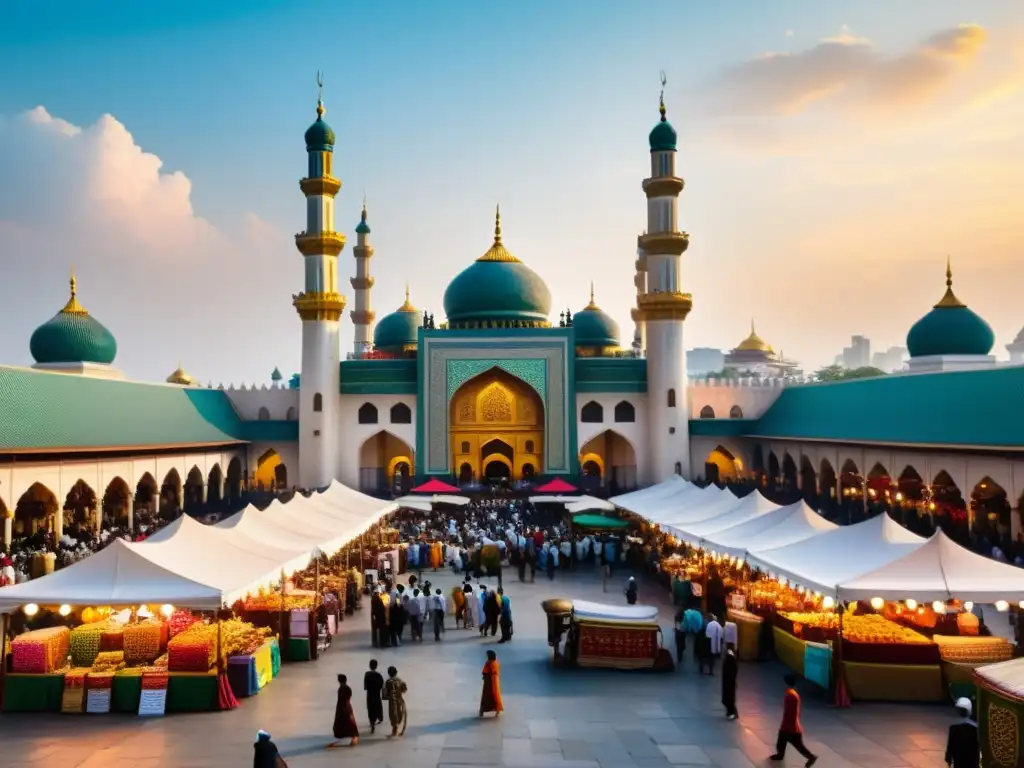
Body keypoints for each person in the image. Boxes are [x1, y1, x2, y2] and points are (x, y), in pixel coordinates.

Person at [770, 674, 817, 766]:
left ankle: (811, 757)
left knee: (795, 744)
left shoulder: (791, 695)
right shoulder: (792, 693)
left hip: (790, 726)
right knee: (783, 741)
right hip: (792, 725)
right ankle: (780, 754)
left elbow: (789, 710)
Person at [945, 696, 979, 767]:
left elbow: (950, 745)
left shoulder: (954, 728)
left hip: (958, 760)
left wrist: (948, 758)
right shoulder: (975, 729)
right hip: (972, 761)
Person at [329, 674, 360, 748]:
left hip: (343, 706)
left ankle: (348, 735)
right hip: (346, 706)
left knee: (344, 721)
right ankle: (352, 735)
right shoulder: (346, 688)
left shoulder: (342, 688)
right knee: (349, 721)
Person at [383, 665, 409, 737]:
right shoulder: (400, 680)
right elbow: (404, 689)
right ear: (396, 673)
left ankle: (394, 731)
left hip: (392, 700)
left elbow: (385, 694)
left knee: (393, 715)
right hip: (400, 699)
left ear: (389, 673)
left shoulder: (388, 681)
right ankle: (398, 731)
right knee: (399, 713)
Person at [479, 649, 503, 717]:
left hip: (489, 682)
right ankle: (497, 709)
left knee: (486, 697)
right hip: (494, 681)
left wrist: (485, 676)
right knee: (495, 695)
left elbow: (485, 671)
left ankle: (482, 710)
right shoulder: (496, 662)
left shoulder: (489, 663)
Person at [364, 660, 384, 734]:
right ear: (376, 666)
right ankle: (379, 718)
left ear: (370, 665)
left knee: (370, 709)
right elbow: (382, 685)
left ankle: (372, 723)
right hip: (377, 694)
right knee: (377, 707)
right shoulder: (378, 675)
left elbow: (365, 687)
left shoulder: (367, 674)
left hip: (370, 695)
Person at [722, 645, 738, 720]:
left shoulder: (729, 659)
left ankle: (731, 713)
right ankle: (732, 712)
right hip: (729, 682)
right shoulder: (731, 659)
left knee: (728, 698)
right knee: (729, 698)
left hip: (728, 683)